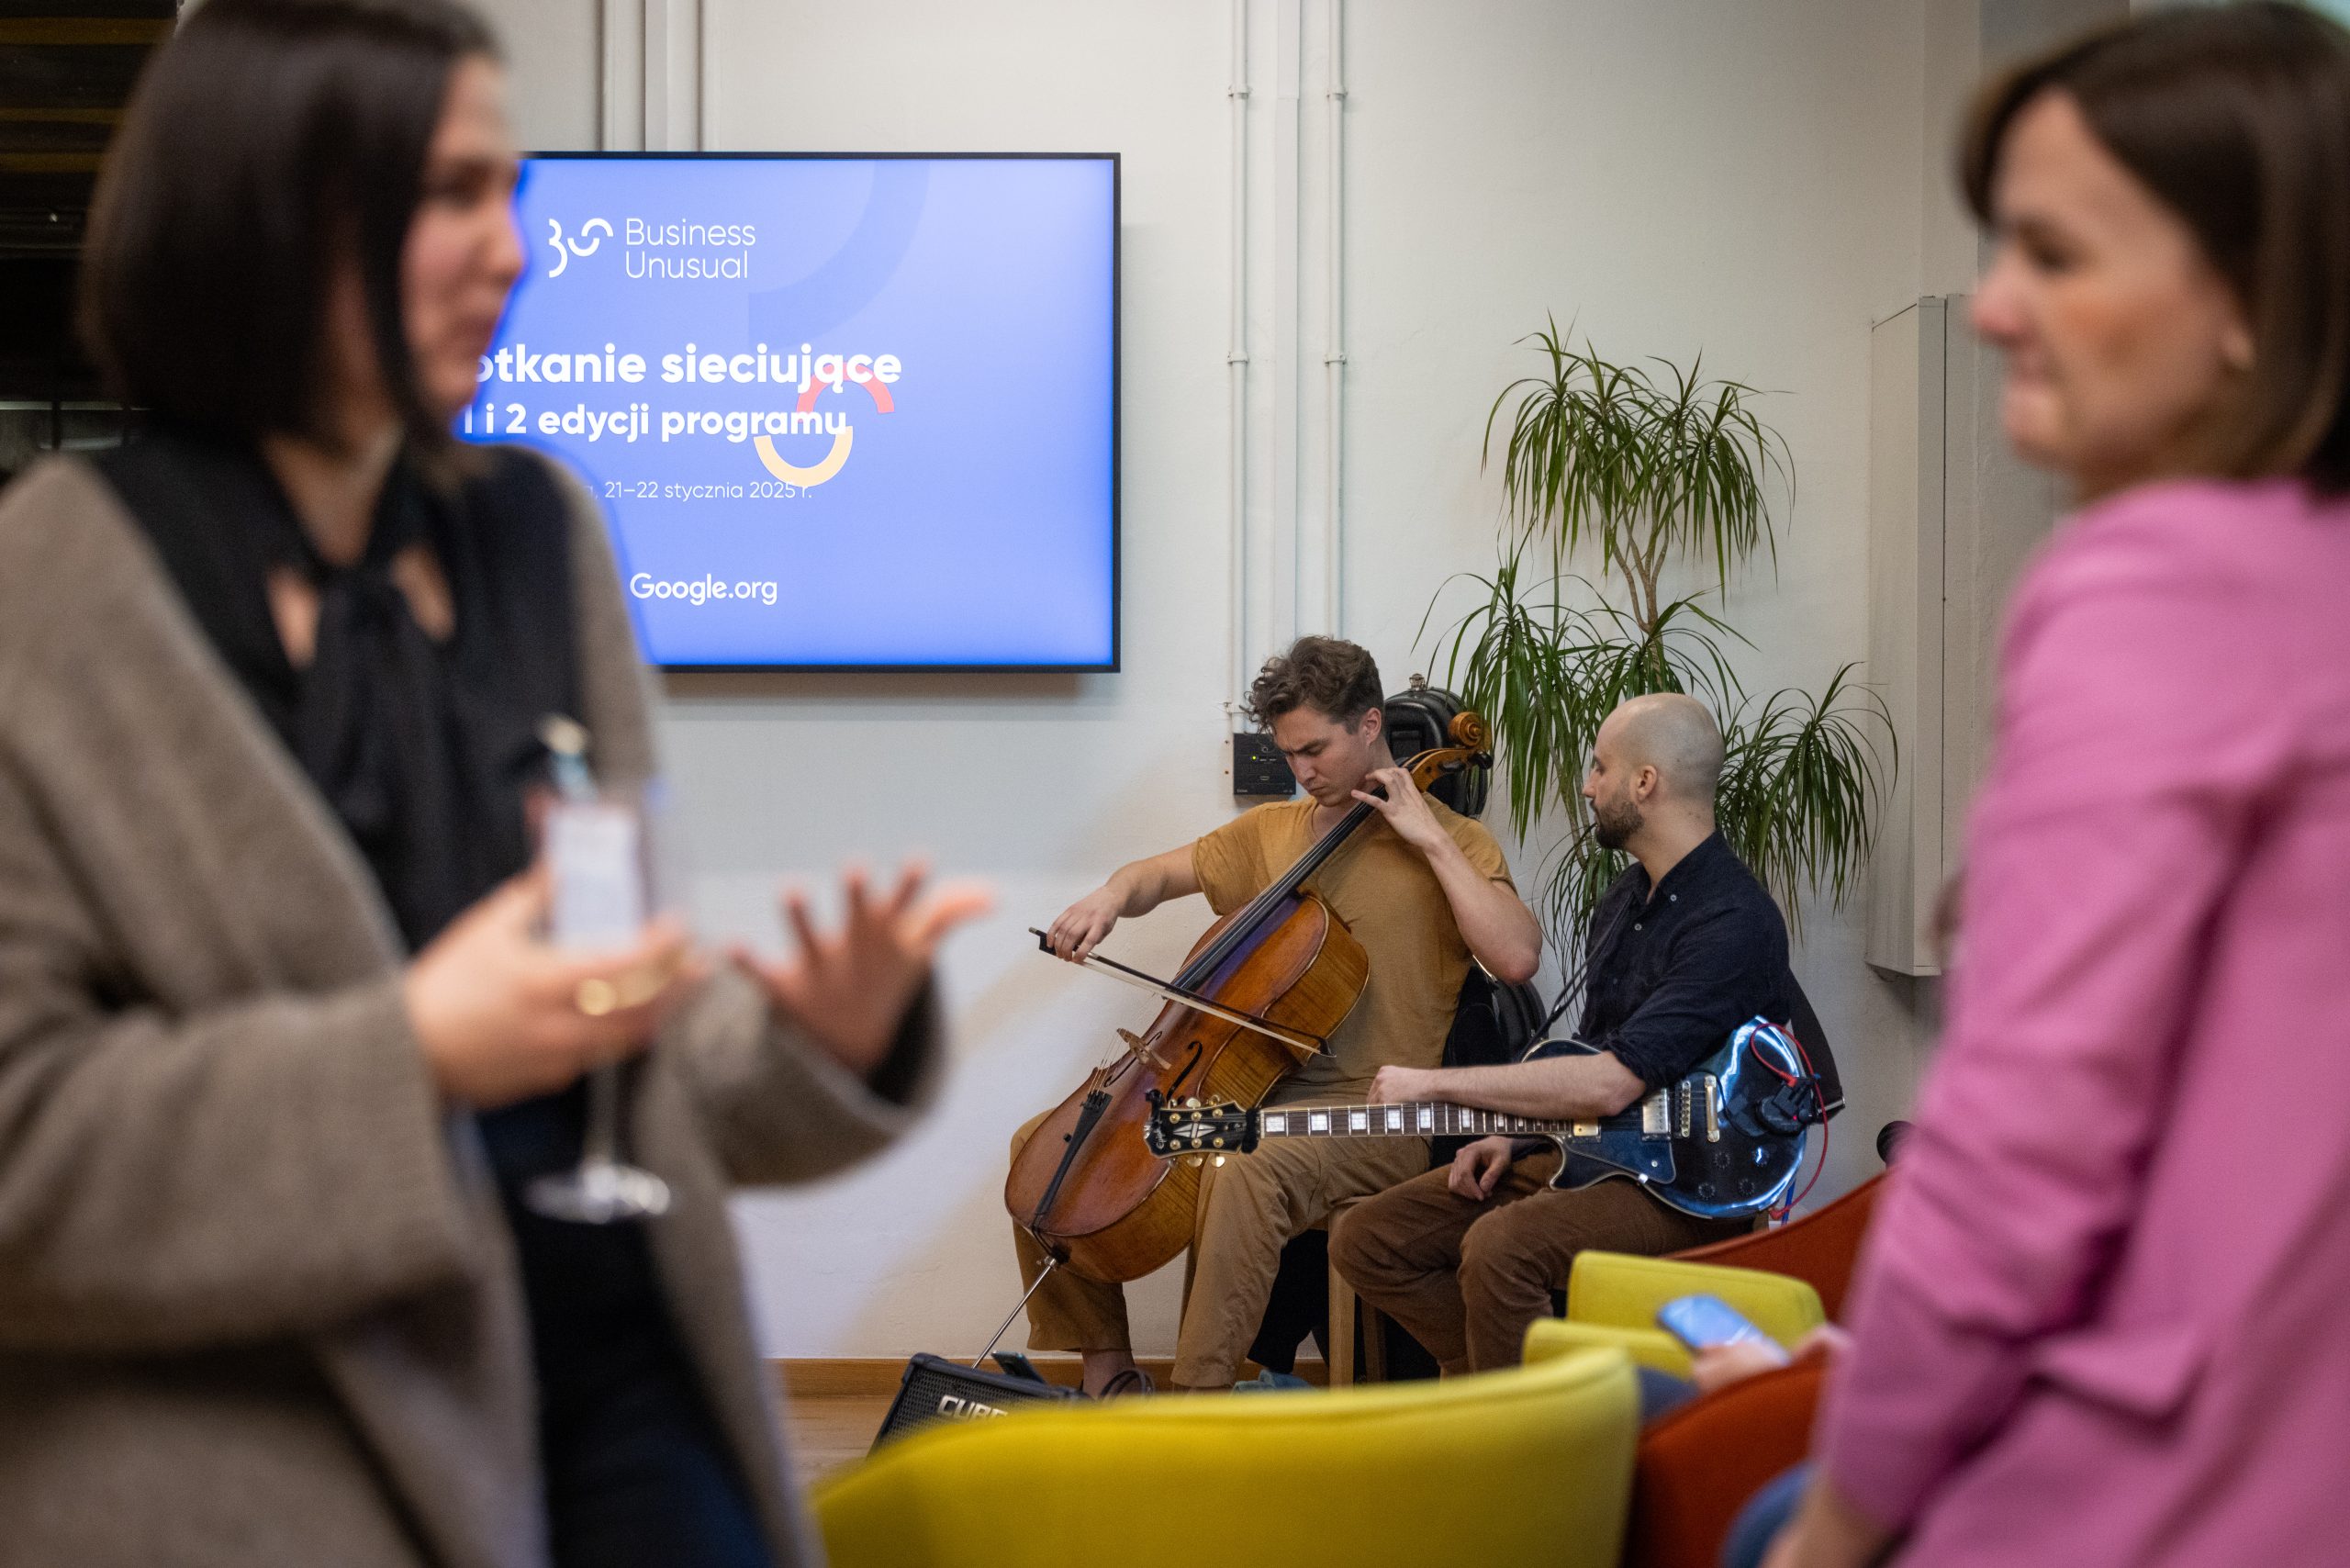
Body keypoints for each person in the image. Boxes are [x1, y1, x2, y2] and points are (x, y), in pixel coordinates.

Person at [0, 4, 984, 1565]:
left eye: (509, 194)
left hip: (612, 1364)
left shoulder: (537, 529)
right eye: (452, 194)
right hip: (272, 1431)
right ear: (271, 210)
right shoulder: (54, 586)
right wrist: (414, 1059)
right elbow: (27, 1148)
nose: (515, 251)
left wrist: (813, 1044)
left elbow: (613, 1018)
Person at [1764, 7, 2350, 1565]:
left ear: (2255, 295)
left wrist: (1841, 1520)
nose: (1995, 307)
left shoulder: (2160, 585)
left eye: (2057, 254)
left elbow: (2024, 1155)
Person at [1012, 635, 1542, 1394]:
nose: (1301, 771)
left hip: (1377, 1116)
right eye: (1289, 753)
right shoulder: (1273, 835)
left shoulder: (1457, 842)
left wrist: (1429, 838)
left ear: (1369, 724)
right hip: (1253, 1102)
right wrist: (1109, 898)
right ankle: (1109, 1374)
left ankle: (1198, 1403)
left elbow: (1517, 956)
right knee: (1052, 1146)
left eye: (1315, 749)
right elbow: (1155, 875)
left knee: (1246, 1167)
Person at [1330, 692, 1841, 1374]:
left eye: (1601, 767)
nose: (1588, 786)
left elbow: (1608, 1083)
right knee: (1368, 1238)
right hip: (1602, 1152)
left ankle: (1531, 1421)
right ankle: (1502, 1387)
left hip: (1692, 1185)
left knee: (1501, 1247)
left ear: (1645, 782)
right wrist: (1514, 1136)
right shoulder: (1626, 899)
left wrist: (1431, 1084)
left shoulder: (1733, 920)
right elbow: (1595, 1050)